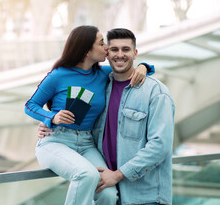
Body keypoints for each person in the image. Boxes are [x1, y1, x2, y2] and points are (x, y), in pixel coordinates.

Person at [39, 28, 174, 205]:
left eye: (126, 49)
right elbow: (79, 122)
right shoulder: (101, 87)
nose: (120, 55)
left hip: (145, 197)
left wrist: (118, 175)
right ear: (106, 54)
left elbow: (160, 146)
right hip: (110, 192)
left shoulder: (155, 92)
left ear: (135, 53)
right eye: (114, 49)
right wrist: (50, 121)